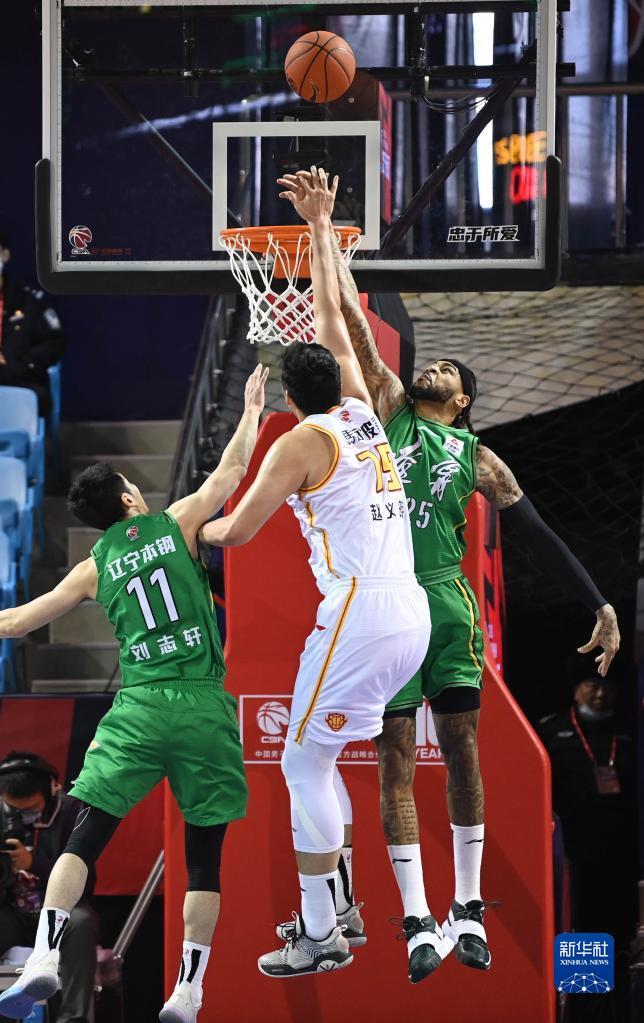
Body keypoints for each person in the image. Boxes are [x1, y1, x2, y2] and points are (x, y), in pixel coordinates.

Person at [276, 168, 621, 981]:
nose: (434, 368)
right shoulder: (389, 407)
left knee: (462, 746)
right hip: (391, 600)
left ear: (463, 399)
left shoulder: (479, 457)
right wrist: (327, 236)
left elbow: (538, 534)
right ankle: (415, 917)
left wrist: (599, 602)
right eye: (433, 364)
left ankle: (467, 904)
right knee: (395, 754)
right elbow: (348, 325)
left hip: (443, 601)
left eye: (449, 370)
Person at [199, 170, 433, 980]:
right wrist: (323, 227)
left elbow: (237, 529)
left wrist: (194, 522)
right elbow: (334, 316)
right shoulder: (362, 410)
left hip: (362, 615)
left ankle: (320, 931)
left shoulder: (299, 440)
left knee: (301, 764)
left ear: (290, 397)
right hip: (408, 615)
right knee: (319, 761)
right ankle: (342, 908)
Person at [0, 364, 268, 1023]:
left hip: (139, 709)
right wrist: (251, 412)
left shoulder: (92, 568)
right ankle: (188, 992)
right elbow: (233, 471)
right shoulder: (178, 522)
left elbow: (16, 622)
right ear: (127, 499)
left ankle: (43, 957)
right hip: (202, 706)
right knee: (204, 859)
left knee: (81, 839)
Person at [539, 675, 637, 1022]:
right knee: (582, 928)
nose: (599, 693)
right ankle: (583, 1009)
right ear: (575, 688)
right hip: (574, 854)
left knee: (620, 932)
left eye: (606, 686)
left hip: (620, 853)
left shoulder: (628, 731)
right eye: (591, 685)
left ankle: (619, 1009)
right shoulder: (551, 732)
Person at [0, 751, 98, 1023]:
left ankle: (74, 1019)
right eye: (14, 809)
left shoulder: (72, 812)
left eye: (30, 808)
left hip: (59, 911)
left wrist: (33, 863)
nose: (22, 816)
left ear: (50, 791)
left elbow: (87, 880)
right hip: (10, 911)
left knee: (82, 920)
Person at [0, 231, 65, 416]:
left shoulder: (30, 303)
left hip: (18, 382)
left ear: (5, 255)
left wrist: (19, 366)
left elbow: (54, 343)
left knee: (33, 399)